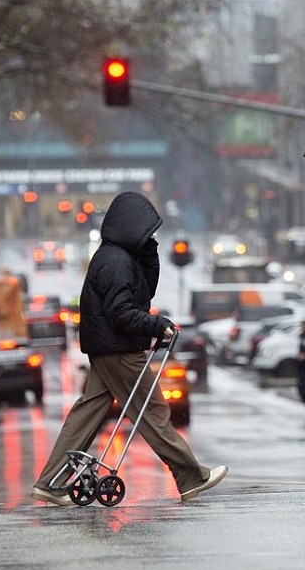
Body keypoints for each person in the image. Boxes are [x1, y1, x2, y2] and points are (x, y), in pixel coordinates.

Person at [30, 191, 227, 506]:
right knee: (153, 412)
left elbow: (143, 291)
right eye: (147, 231)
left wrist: (149, 253)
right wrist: (155, 324)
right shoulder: (117, 262)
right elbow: (121, 313)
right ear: (132, 227)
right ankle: (191, 477)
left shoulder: (117, 257)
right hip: (118, 350)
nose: (152, 236)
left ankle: (50, 482)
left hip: (108, 348)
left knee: (87, 413)